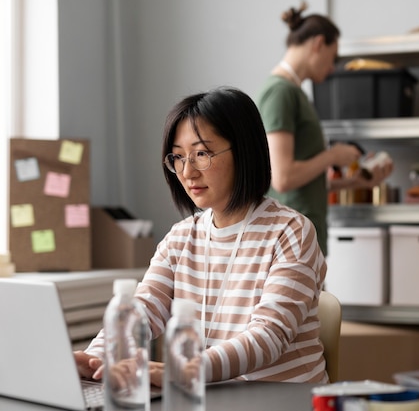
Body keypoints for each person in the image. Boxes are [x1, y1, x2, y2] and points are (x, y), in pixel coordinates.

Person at [74, 87, 329, 385]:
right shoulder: (181, 238)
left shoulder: (291, 231)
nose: (187, 172)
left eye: (202, 154)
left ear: (244, 150)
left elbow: (269, 337)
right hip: (208, 399)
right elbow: (144, 308)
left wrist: (184, 371)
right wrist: (97, 358)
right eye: (179, 157)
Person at [256, 2, 393, 255]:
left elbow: (304, 185)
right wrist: (333, 156)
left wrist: (353, 183)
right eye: (333, 57)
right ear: (318, 44)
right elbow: (283, 178)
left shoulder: (295, 93)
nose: (332, 68)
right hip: (291, 240)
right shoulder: (280, 92)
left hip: (304, 237)